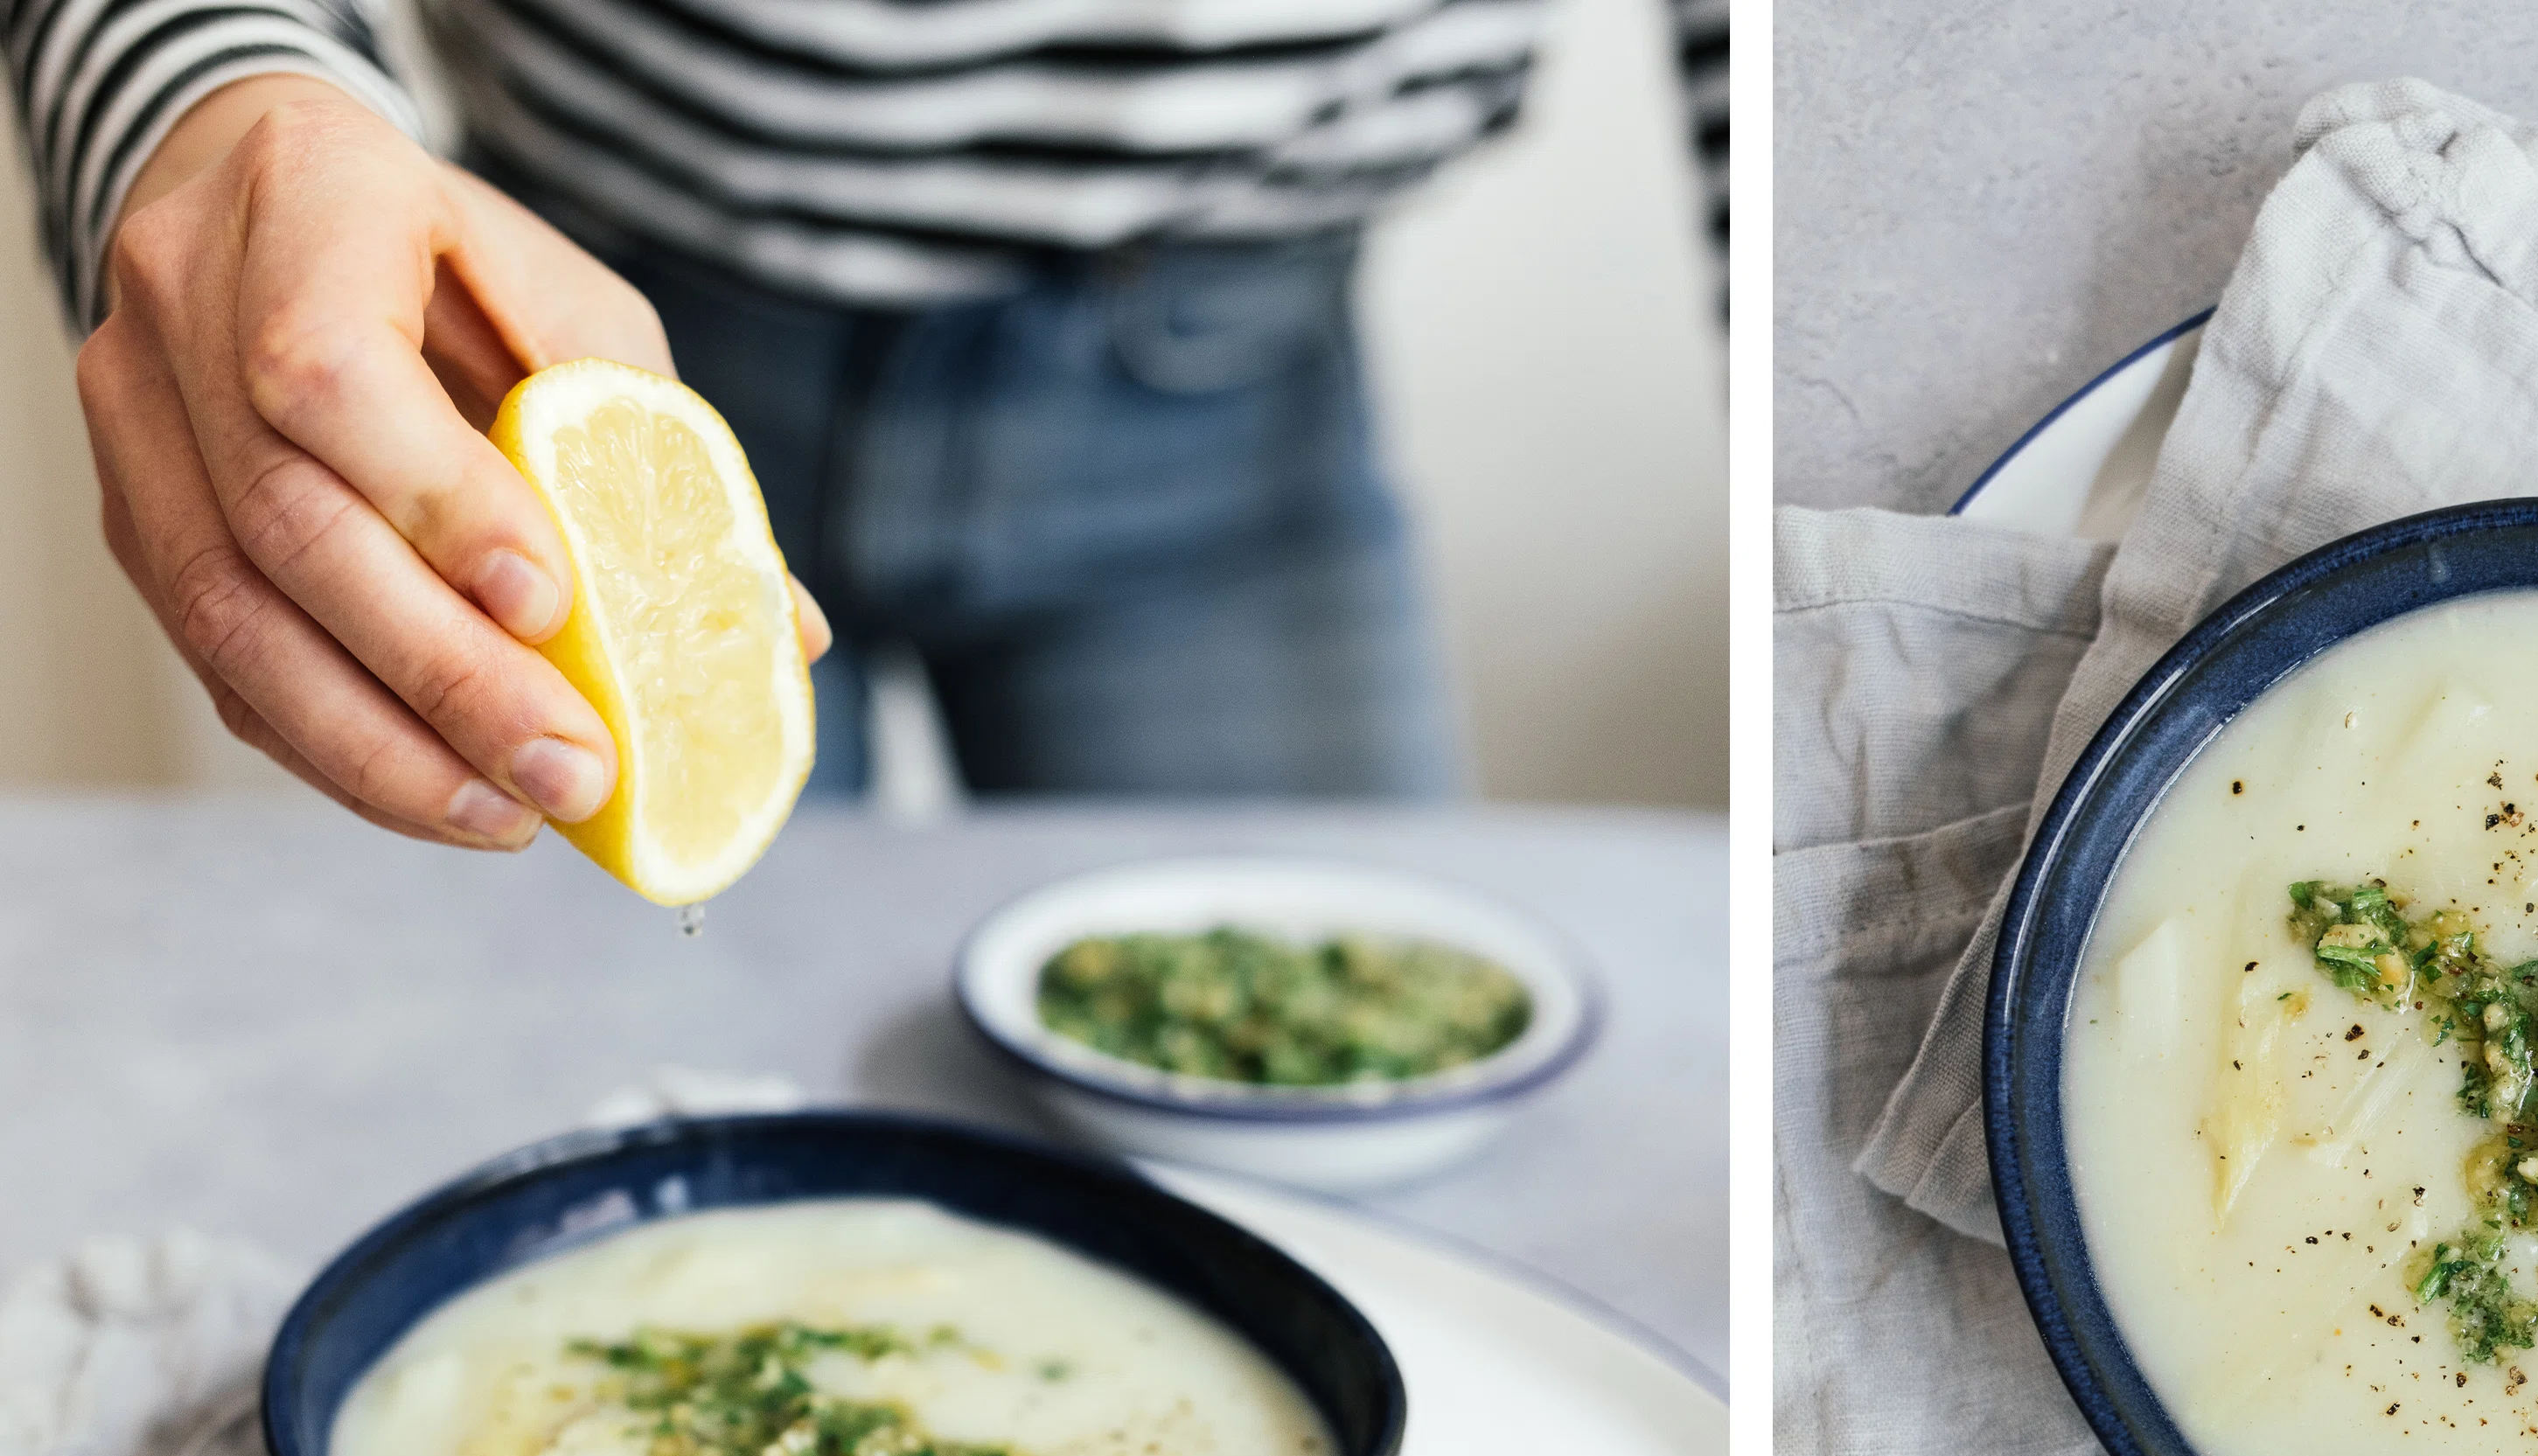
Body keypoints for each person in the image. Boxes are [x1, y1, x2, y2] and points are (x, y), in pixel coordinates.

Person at [9, 0, 1726, 845]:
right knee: (569, 1143)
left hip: (1232, 391)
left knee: (1360, 1134)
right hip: (546, 352)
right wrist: (204, 96)